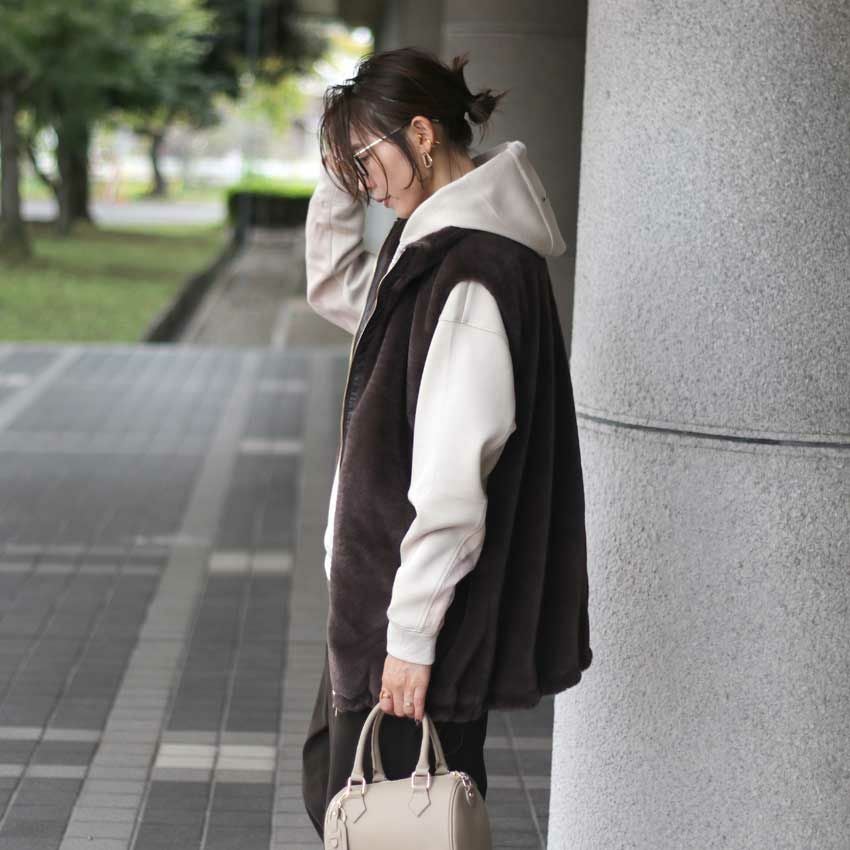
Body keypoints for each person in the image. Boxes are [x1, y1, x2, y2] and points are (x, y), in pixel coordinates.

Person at [300, 45, 592, 840]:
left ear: (423, 135)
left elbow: (454, 485)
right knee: (353, 807)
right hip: (384, 606)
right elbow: (338, 289)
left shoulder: (469, 271)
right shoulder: (430, 246)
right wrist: (343, 165)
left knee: (395, 824)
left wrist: (409, 641)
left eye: (366, 160)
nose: (365, 184)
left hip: (414, 622)